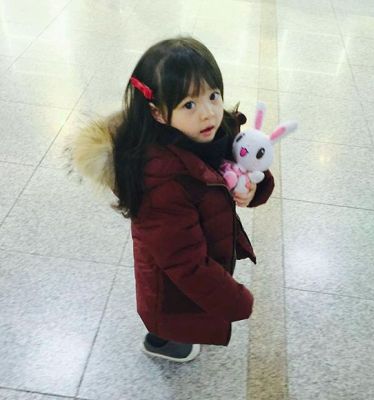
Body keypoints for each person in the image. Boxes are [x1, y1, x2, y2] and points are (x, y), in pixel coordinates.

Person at [70, 36, 275, 363]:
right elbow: (184, 263)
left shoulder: (217, 133)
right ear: (158, 113)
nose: (208, 113)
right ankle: (160, 343)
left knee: (188, 306)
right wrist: (236, 301)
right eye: (189, 105)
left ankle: (169, 334)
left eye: (213, 95)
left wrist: (253, 190)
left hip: (205, 247)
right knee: (172, 315)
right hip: (171, 277)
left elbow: (248, 164)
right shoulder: (160, 180)